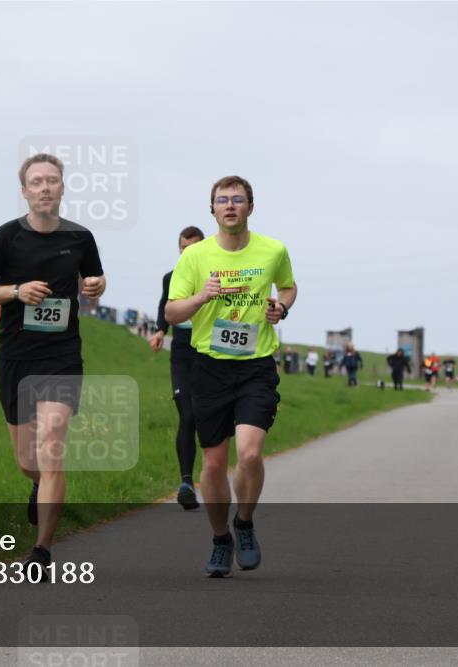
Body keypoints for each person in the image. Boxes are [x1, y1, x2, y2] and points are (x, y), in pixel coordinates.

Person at [0, 153, 106, 573]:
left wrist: (97, 285)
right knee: (27, 462)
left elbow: (93, 285)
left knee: (52, 441)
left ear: (63, 188)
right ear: (24, 191)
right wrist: (16, 291)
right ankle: (41, 486)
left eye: (52, 180)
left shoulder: (81, 237)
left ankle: (42, 552)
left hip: (62, 356)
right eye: (37, 182)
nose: (45, 187)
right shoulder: (4, 238)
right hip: (16, 356)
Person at [165, 174, 296, 578]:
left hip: (256, 365)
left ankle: (245, 523)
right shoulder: (194, 257)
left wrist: (281, 308)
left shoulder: (273, 250)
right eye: (222, 200)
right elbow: (172, 313)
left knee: (251, 452)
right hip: (209, 367)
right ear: (213, 210)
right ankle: (221, 538)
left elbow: (288, 288)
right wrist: (202, 297)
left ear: (250, 207)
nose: (230, 206)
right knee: (214, 464)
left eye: (238, 199)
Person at [149, 226, 205, 510]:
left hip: (209, 354)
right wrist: (160, 331)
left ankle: (212, 476)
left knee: (207, 416)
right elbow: (164, 305)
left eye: (193, 248)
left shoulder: (213, 278)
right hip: (182, 353)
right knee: (188, 415)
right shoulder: (170, 278)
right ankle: (186, 482)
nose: (187, 253)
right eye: (183, 248)